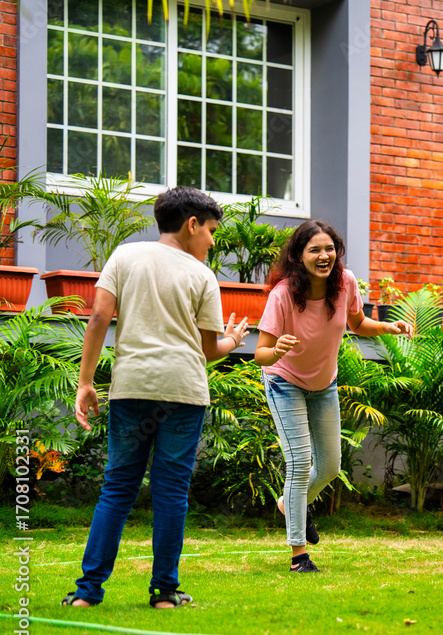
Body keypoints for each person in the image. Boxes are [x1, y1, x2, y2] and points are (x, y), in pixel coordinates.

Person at [64, 186, 250, 609]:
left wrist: (87, 381)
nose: (212, 240)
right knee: (171, 492)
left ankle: (87, 593)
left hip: (132, 388)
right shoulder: (202, 276)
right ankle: (165, 593)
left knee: (117, 488)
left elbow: (98, 318)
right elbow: (207, 351)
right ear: (192, 225)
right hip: (183, 393)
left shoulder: (125, 256)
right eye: (212, 231)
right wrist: (232, 340)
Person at [256, 220, 412, 574]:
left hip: (324, 384)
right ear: (299, 256)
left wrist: (387, 326)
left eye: (329, 249)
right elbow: (261, 354)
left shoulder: (345, 283)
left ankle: (287, 505)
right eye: (315, 250)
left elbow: (358, 324)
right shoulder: (282, 294)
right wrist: (278, 348)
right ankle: (299, 556)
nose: (324, 256)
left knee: (329, 467)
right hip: (284, 382)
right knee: (298, 464)